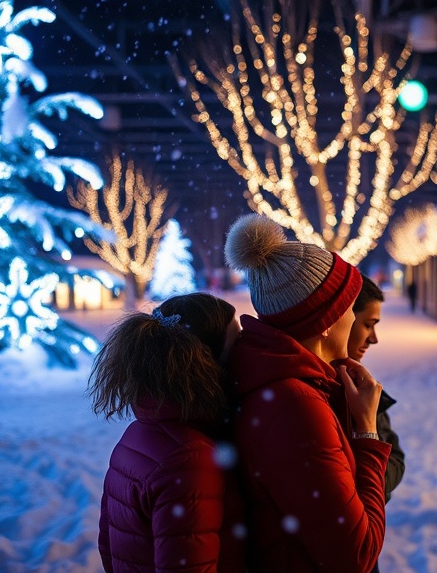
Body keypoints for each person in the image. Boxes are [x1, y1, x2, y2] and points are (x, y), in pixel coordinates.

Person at [224, 213, 391, 572]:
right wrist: (366, 432)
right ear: (327, 323)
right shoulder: (295, 407)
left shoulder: (297, 386)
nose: (354, 316)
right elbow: (357, 554)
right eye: (349, 305)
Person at [90, 293, 245, 572]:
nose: (245, 354)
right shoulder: (189, 459)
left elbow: (108, 546)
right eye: (237, 345)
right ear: (207, 361)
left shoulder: (137, 436)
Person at [346, 276, 406, 573]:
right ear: (341, 319)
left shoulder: (361, 384)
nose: (374, 338)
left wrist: (372, 487)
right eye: (368, 324)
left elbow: (396, 457)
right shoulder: (330, 395)